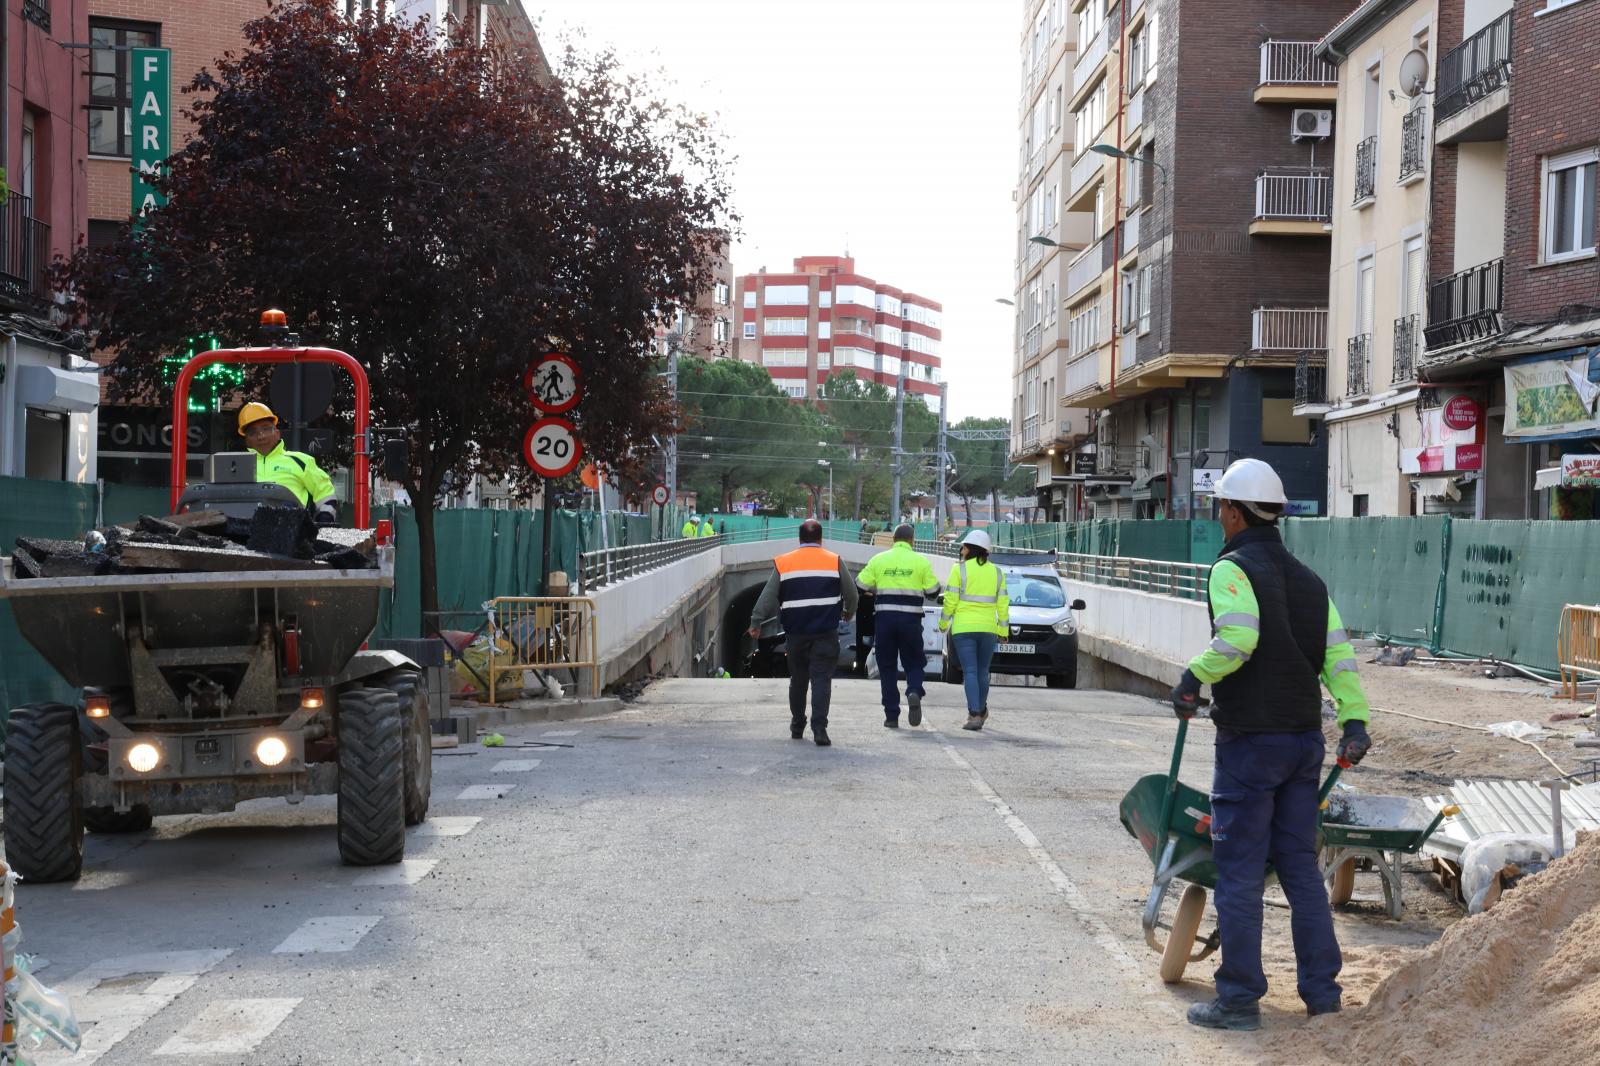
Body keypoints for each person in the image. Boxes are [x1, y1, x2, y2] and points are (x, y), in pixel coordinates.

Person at [1169, 458, 1372, 1032]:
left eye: (1220, 509)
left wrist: (1192, 679)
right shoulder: (1311, 581)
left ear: (1231, 511)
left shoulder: (1231, 567)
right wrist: (1354, 723)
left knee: (1237, 871)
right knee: (1301, 870)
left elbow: (1238, 637)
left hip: (1251, 743)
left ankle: (1237, 999)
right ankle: (1322, 995)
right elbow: (1339, 659)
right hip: (1303, 741)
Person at [747, 520, 857, 746]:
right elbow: (852, 594)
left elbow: (767, 597)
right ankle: (820, 730)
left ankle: (797, 725)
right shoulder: (834, 561)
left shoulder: (784, 563)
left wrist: (756, 622)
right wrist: (848, 612)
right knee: (821, 680)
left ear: (799, 539)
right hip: (826, 632)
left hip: (796, 634)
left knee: (798, 680)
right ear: (821, 539)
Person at [856, 523, 940, 728]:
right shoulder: (921, 561)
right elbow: (933, 591)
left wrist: (876, 591)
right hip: (910, 622)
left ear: (893, 540)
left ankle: (891, 715)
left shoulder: (879, 559)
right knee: (914, 662)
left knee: (886, 667)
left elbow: (860, 585)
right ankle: (913, 690)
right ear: (912, 540)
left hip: (885, 621)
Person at [939, 529, 1008, 731]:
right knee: (982, 671)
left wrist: (943, 624)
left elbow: (950, 601)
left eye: (964, 547)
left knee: (969, 670)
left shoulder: (958, 570)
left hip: (963, 629)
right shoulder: (997, 572)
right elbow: (1003, 604)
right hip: (988, 629)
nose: (961, 550)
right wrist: (1003, 631)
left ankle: (975, 714)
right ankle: (981, 710)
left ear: (971, 549)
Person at [237, 402, 338, 525]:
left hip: (292, 532)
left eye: (266, 428)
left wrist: (323, 525)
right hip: (244, 534)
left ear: (277, 433)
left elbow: (325, 494)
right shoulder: (236, 466)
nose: (261, 436)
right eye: (253, 432)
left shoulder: (301, 461)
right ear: (247, 441)